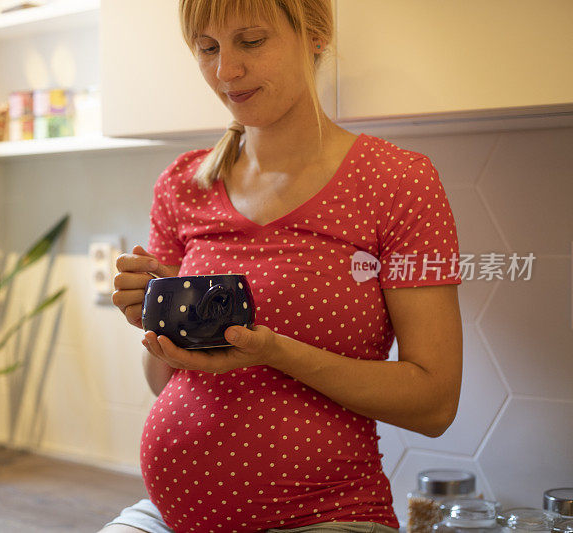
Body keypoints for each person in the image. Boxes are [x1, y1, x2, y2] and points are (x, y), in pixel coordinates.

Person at [103, 0, 463, 531]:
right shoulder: (183, 184)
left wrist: (275, 352)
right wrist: (152, 317)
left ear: (314, 36)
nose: (226, 71)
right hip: (167, 516)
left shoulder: (398, 182)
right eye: (207, 48)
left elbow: (435, 404)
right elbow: (165, 383)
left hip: (326, 515)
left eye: (250, 42)